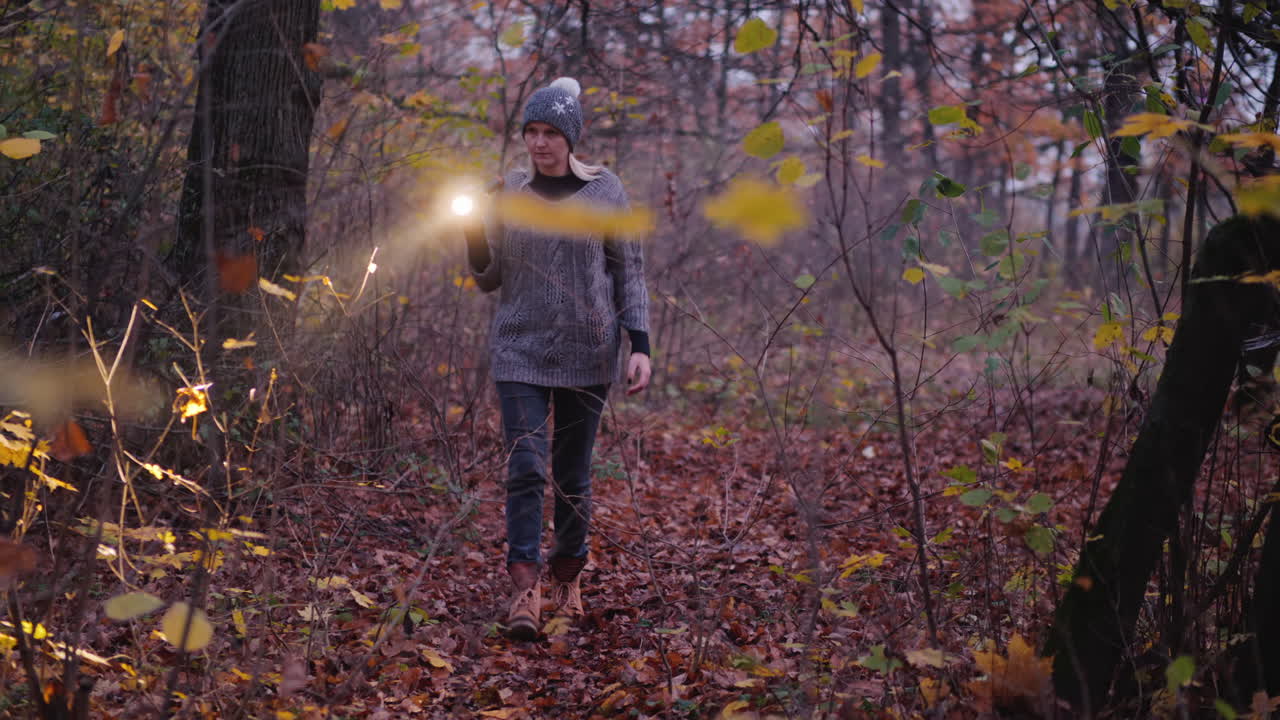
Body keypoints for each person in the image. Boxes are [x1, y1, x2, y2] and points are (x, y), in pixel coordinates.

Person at [462, 76, 651, 640]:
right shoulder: (509, 195)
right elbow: (489, 280)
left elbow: (628, 270)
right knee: (525, 470)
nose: (539, 143)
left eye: (550, 133)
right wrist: (474, 231)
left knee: (571, 475)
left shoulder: (606, 192)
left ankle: (568, 575)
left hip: (588, 351)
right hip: (519, 347)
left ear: (570, 137)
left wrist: (638, 343)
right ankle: (525, 588)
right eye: (531, 132)